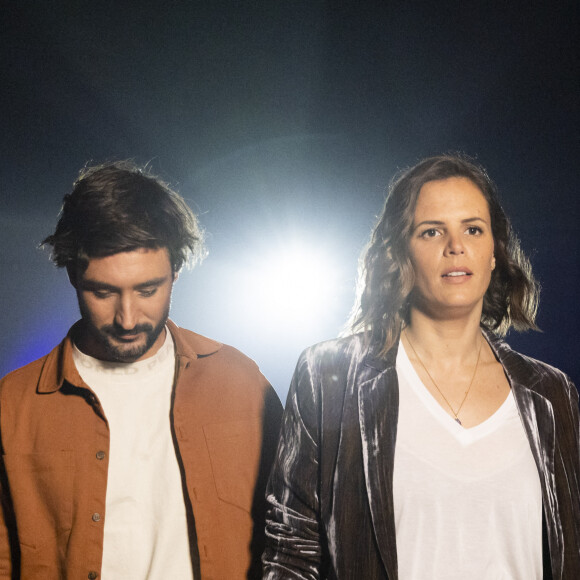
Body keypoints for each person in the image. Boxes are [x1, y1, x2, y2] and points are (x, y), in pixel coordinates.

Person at [263, 154, 580, 579]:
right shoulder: (329, 379)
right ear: (400, 255)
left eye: (473, 229)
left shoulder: (551, 393)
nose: (456, 246)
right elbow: (291, 553)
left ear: (493, 253)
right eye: (432, 231)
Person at [0, 161, 282, 579]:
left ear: (176, 273)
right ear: (73, 275)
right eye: (103, 292)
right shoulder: (13, 404)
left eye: (148, 290)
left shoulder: (241, 382)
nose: (128, 319)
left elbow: (293, 535)